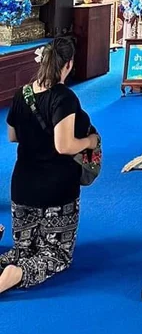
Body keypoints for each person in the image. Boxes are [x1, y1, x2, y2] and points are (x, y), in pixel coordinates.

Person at [0, 37, 99, 293]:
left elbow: (12, 135)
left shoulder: (22, 93)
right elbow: (64, 146)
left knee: (23, 249)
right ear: (68, 65)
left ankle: (14, 263)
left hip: (22, 187)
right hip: (56, 190)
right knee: (56, 254)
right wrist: (89, 141)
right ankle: (16, 275)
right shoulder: (63, 97)